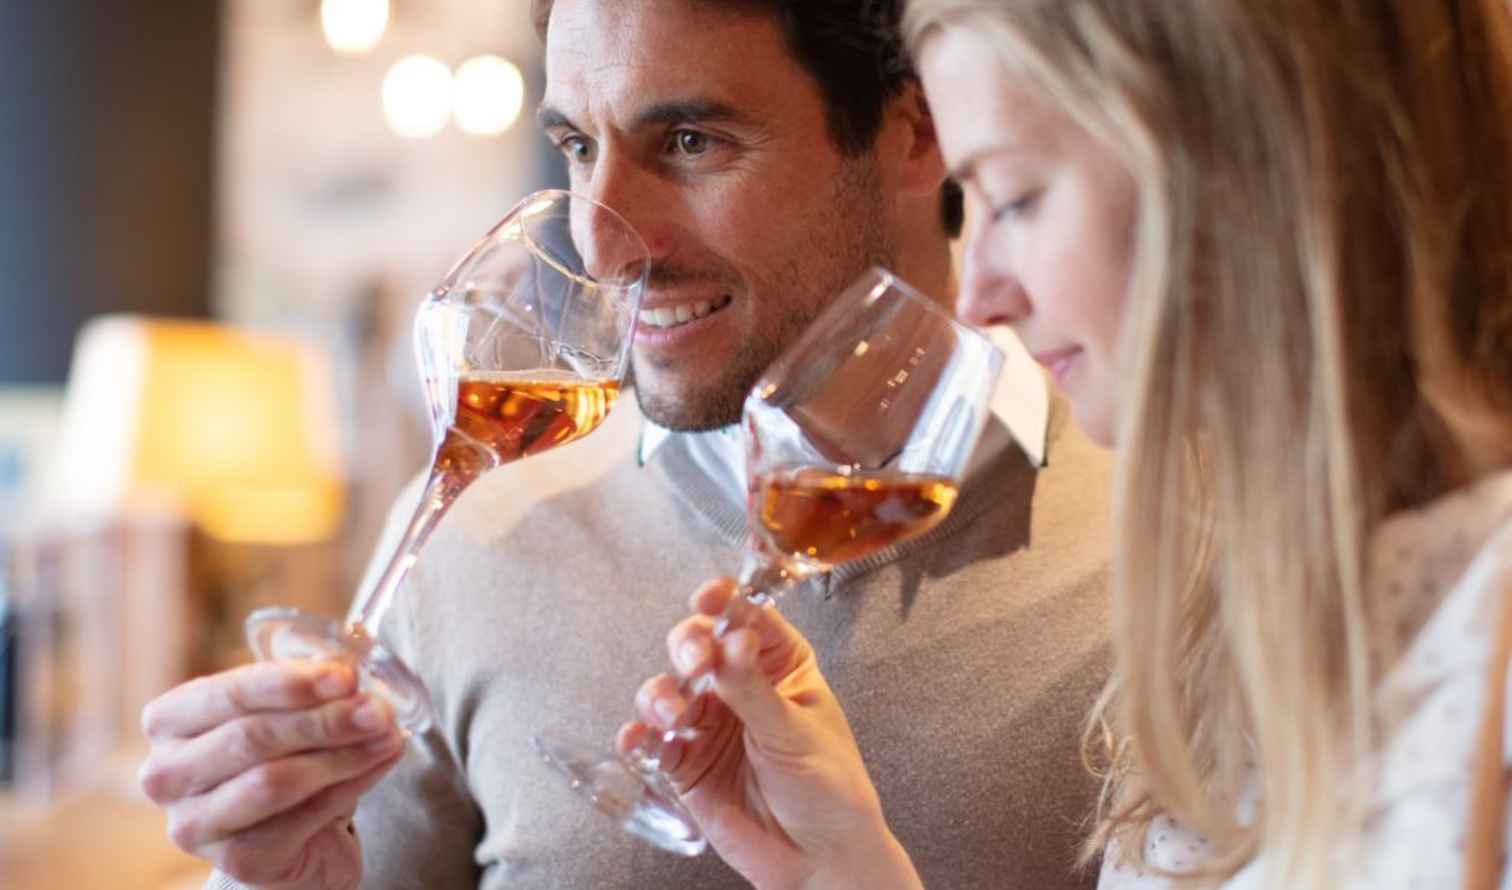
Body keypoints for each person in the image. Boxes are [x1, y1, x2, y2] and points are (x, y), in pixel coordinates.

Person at [136, 1, 1116, 888]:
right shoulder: (486, 531)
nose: (603, 249)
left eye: (690, 141)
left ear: (915, 130)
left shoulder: (1190, 531)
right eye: (574, 144)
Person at [628, 0, 1512, 888]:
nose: (979, 296)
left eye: (1014, 197)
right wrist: (850, 874)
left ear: (1245, 165)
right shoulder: (1255, 615)